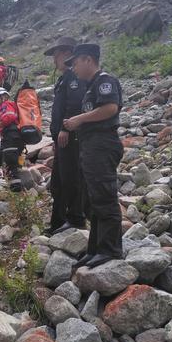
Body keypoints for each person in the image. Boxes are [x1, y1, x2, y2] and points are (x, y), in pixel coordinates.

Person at [63, 44, 124, 269]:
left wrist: (79, 119)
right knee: (93, 197)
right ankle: (96, 248)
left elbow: (110, 108)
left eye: (75, 63)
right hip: (91, 145)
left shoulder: (104, 81)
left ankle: (110, 249)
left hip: (102, 143)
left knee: (104, 195)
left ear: (88, 60)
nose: (73, 69)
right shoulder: (90, 87)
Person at [44, 37, 87, 235]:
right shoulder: (64, 78)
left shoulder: (74, 77)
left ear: (66, 53)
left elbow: (75, 104)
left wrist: (66, 129)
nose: (54, 59)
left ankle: (76, 218)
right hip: (61, 139)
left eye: (56, 54)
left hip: (71, 136)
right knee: (58, 183)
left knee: (71, 178)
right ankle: (58, 222)